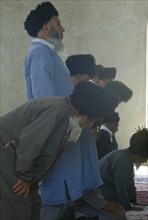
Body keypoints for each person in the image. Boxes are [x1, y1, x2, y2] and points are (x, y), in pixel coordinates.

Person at [0, 81, 119, 220]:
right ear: (82, 108)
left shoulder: (65, 116)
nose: (91, 124)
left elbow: (48, 155)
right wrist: (24, 177)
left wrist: (31, 180)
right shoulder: (56, 111)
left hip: (17, 158)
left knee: (34, 205)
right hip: (6, 152)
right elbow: (29, 145)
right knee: (18, 203)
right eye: (91, 118)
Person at [24, 1, 73, 98]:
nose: (63, 29)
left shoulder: (47, 51)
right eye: (58, 24)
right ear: (46, 28)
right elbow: (45, 100)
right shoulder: (40, 53)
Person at [99, 127, 148, 211]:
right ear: (140, 154)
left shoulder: (127, 157)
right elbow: (121, 186)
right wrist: (128, 206)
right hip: (100, 188)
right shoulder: (122, 161)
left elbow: (130, 183)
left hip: (108, 185)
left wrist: (134, 201)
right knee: (117, 203)